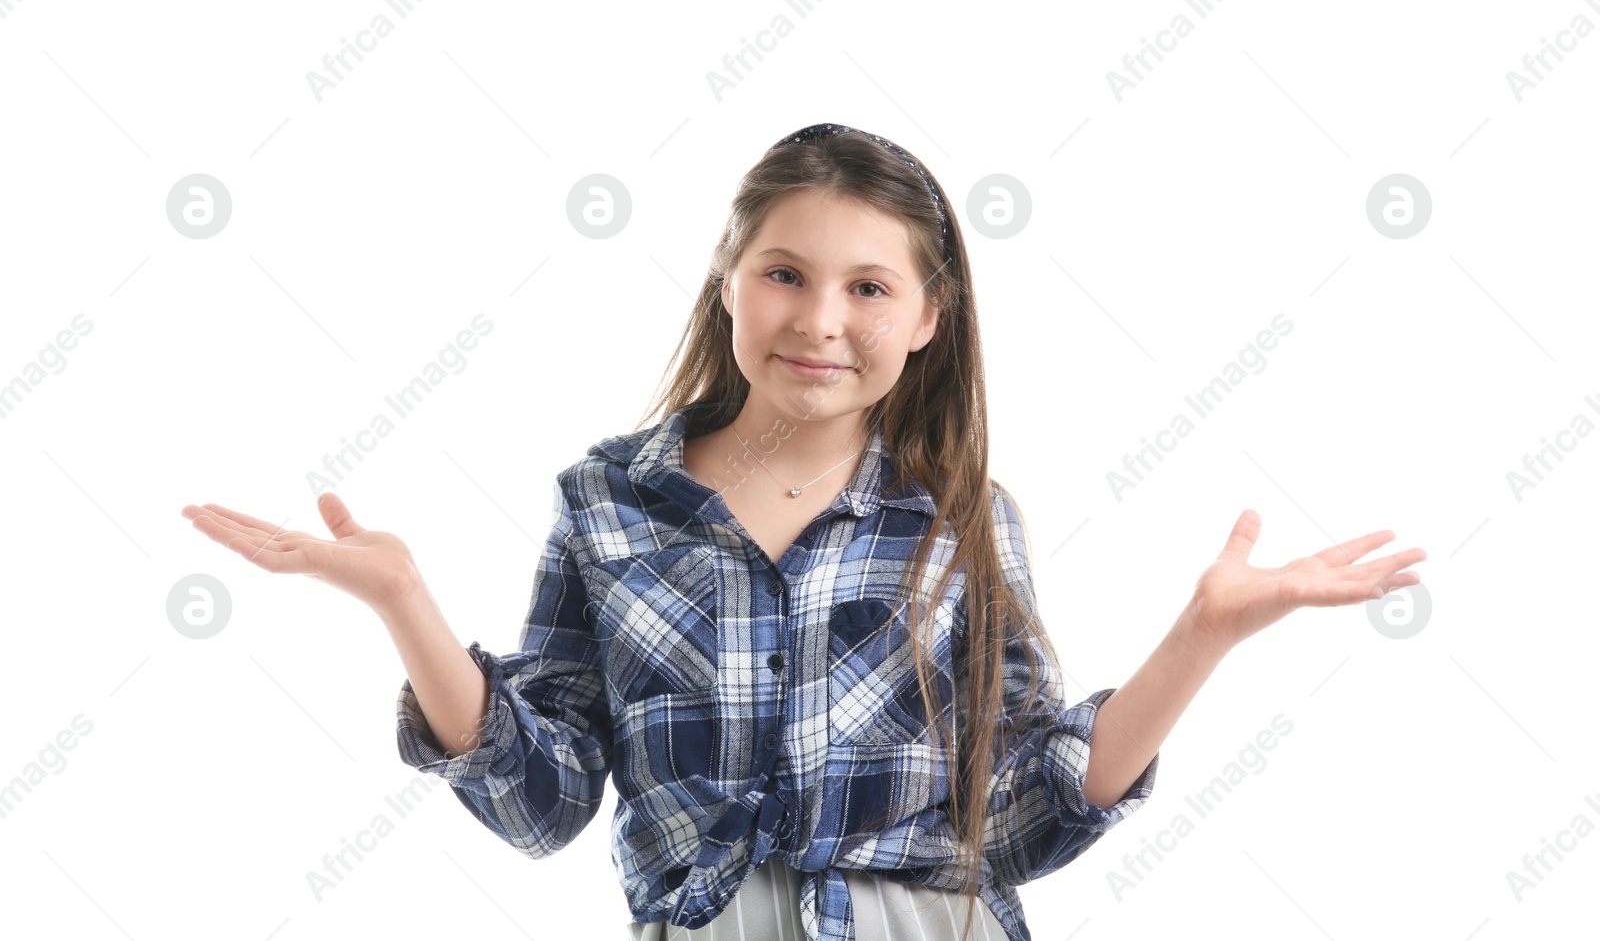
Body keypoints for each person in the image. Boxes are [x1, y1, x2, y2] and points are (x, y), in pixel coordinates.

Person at [180, 123, 1427, 941]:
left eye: (868, 287)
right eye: (784, 272)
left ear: (930, 315)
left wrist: (1203, 633)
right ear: (727, 278)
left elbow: (1024, 815)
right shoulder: (607, 501)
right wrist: (404, 604)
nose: (819, 318)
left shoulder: (964, 524)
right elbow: (542, 806)